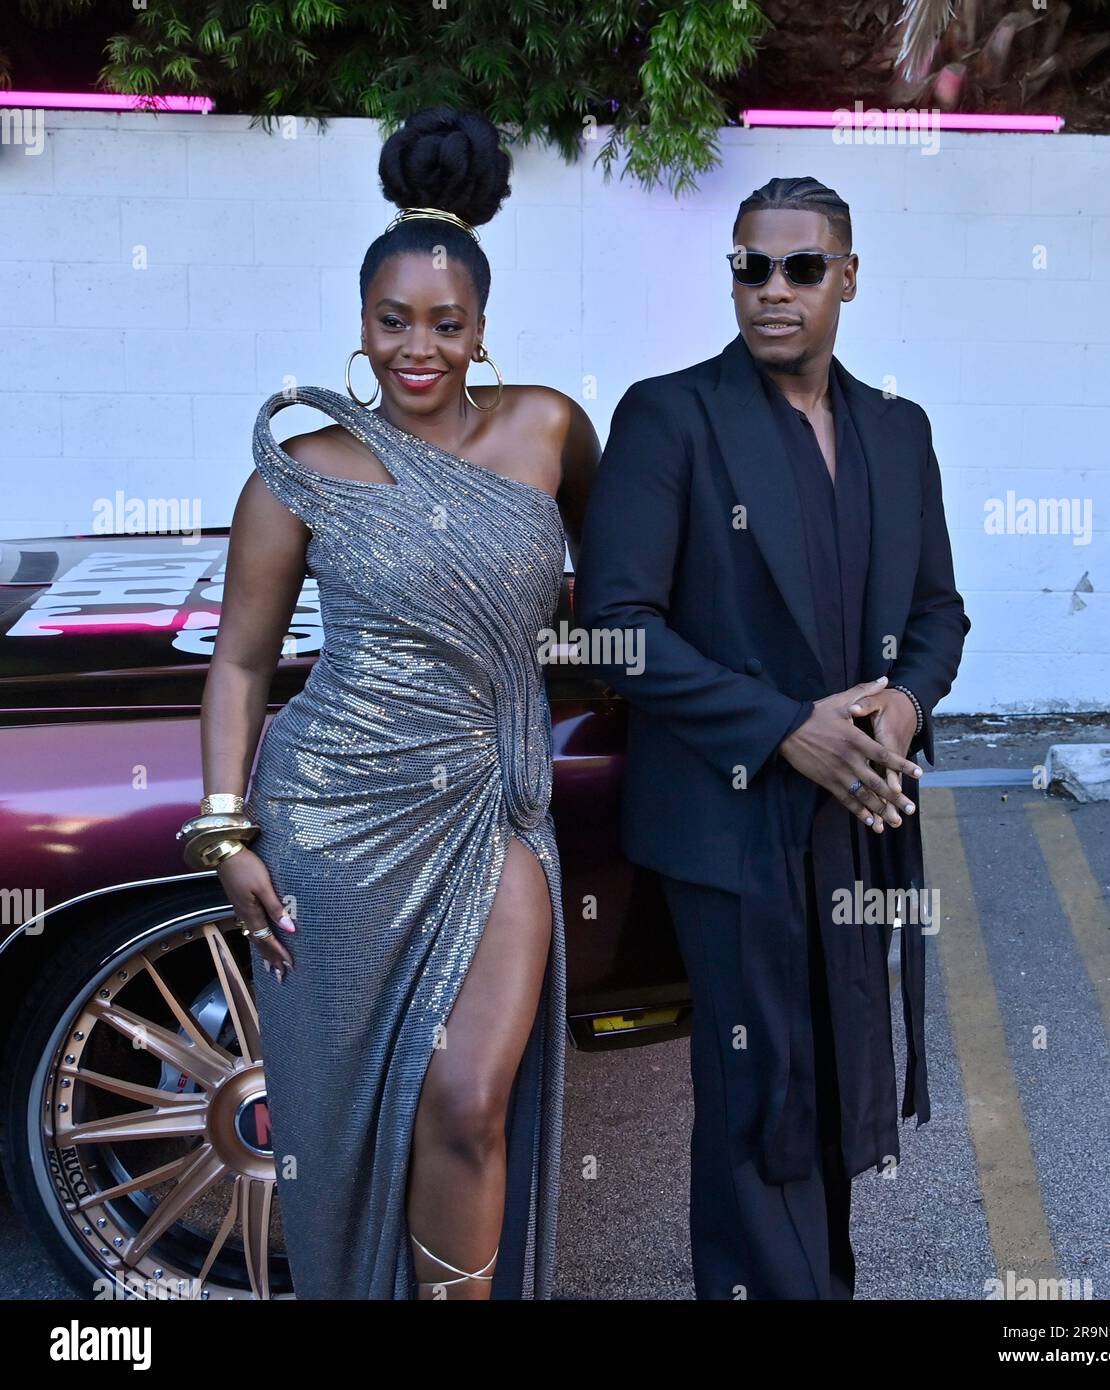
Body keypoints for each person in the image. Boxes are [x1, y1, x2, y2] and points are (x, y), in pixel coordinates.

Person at [183, 107, 599, 1300]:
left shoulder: (550, 431)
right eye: (393, 323)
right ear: (361, 328)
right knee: (354, 1100)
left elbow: (625, 584)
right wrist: (226, 826)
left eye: (446, 325)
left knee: (467, 1097)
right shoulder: (302, 468)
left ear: (480, 329)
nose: (419, 348)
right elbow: (242, 665)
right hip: (330, 811)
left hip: (487, 798)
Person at [575, 176, 970, 1300]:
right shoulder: (671, 415)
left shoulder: (899, 432)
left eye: (801, 267)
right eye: (750, 265)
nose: (773, 290)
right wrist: (784, 729)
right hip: (727, 820)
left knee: (834, 1074)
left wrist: (899, 707)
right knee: (759, 1089)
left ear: (848, 277)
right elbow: (613, 629)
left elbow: (938, 613)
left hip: (858, 819)